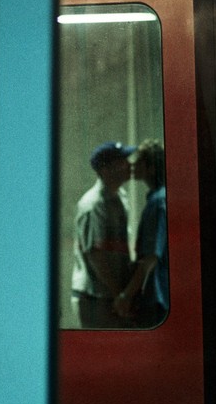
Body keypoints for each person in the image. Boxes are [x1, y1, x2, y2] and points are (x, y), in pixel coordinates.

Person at [71, 141, 136, 328]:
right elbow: (96, 255)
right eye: (122, 162)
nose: (130, 165)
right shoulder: (93, 204)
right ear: (106, 169)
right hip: (94, 299)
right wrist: (120, 295)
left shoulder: (120, 197)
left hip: (110, 295)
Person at [114, 139, 169, 328]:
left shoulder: (158, 203)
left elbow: (151, 257)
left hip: (158, 296)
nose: (132, 165)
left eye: (139, 162)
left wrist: (126, 295)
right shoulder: (158, 199)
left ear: (151, 168)